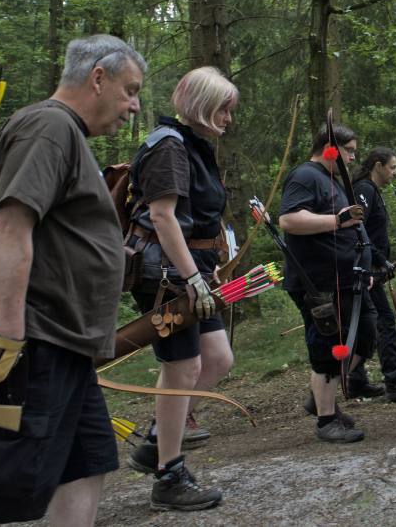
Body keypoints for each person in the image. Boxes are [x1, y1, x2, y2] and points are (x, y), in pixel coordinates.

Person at [0, 34, 144, 527]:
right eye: (130, 90)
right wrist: (6, 333)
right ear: (97, 78)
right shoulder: (49, 127)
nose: (134, 106)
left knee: (85, 462)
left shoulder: (63, 133)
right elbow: (7, 227)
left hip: (59, 344)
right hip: (29, 343)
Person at [124, 67, 237, 510]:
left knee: (218, 358)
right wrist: (191, 277)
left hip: (191, 271)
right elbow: (162, 217)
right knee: (182, 367)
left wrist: (207, 269)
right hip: (166, 277)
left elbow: (200, 218)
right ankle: (168, 477)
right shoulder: (169, 146)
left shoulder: (192, 146)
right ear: (203, 105)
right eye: (223, 109)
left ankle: (157, 438)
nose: (228, 118)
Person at [279, 122, 377, 443]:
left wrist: (364, 266)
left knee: (364, 337)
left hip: (348, 279)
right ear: (329, 149)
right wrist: (337, 220)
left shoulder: (331, 179)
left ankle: (322, 397)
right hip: (319, 283)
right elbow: (289, 219)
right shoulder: (306, 175)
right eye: (348, 151)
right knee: (330, 348)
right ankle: (326, 420)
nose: (352, 158)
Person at [347, 147, 396, 401]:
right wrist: (380, 260)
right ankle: (394, 380)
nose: (395, 172)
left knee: (365, 324)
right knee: (384, 321)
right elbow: (358, 229)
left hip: (369, 268)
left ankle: (357, 381)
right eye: (392, 167)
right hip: (364, 269)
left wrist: (381, 261)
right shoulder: (364, 189)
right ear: (378, 165)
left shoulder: (370, 191)